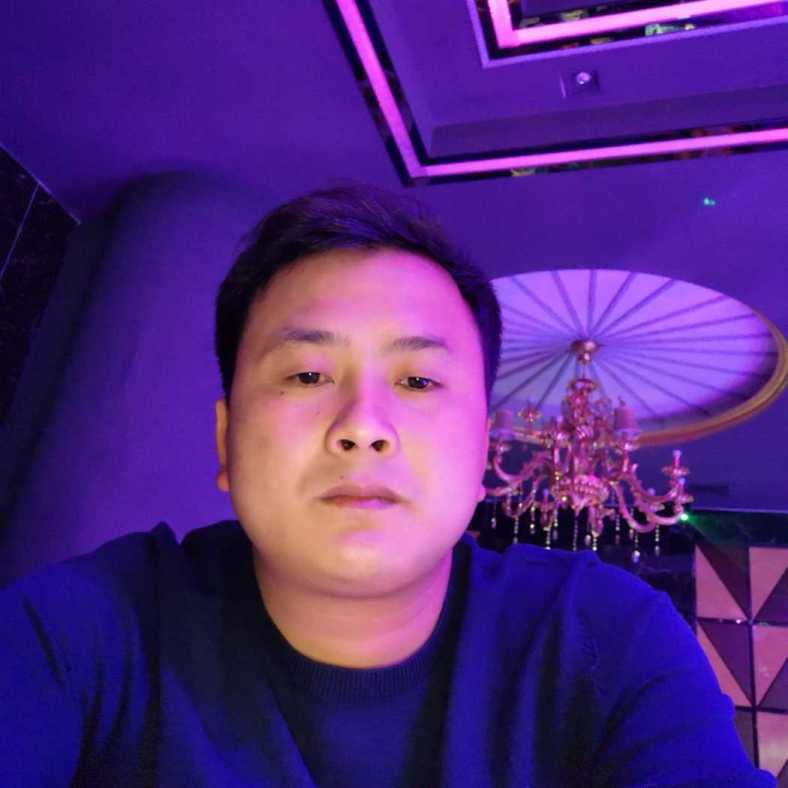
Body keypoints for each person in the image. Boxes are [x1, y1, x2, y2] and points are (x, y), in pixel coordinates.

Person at [0, 184, 776, 787]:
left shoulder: (606, 637)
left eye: (418, 380)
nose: (363, 426)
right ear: (225, 439)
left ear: (483, 452)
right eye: (307, 374)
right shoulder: (82, 634)